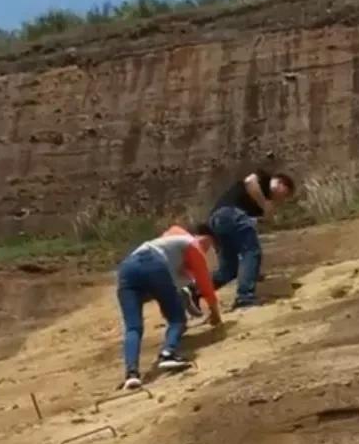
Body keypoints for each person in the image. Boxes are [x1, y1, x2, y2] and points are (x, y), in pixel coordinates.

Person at [115, 225, 222, 390]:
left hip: (126, 269)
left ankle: (132, 374)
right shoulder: (192, 245)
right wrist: (215, 313)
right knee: (177, 319)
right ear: (206, 239)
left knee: (133, 327)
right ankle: (168, 353)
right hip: (153, 264)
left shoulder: (170, 241)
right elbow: (204, 283)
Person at [190, 167, 296, 311]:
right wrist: (265, 205)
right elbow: (250, 182)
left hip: (219, 220)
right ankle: (245, 297)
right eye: (285, 194)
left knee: (229, 269)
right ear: (281, 184)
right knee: (251, 251)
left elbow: (248, 226)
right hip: (229, 214)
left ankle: (194, 291)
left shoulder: (259, 203)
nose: (282, 199)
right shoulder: (265, 179)